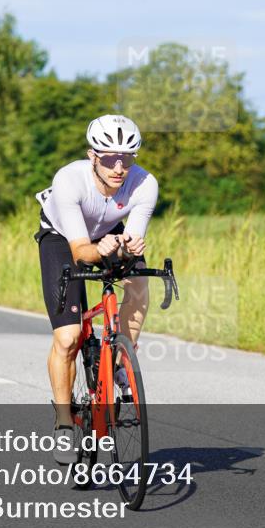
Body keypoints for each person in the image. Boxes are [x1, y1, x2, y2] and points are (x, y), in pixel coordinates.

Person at [35, 115, 158, 464]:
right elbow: (81, 253)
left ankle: (121, 360)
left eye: (128, 157)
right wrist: (100, 250)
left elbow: (131, 236)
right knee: (69, 337)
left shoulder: (144, 183)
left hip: (109, 232)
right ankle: (63, 424)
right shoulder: (68, 181)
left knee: (138, 282)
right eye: (109, 158)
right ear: (92, 155)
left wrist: (125, 247)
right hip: (62, 237)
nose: (119, 167)